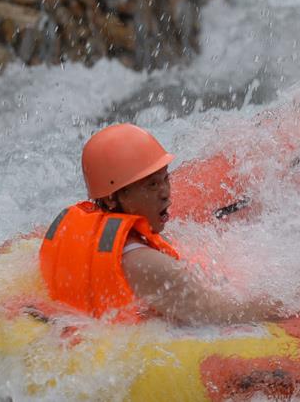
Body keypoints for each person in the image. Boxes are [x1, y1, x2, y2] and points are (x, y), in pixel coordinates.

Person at [39, 123, 281, 326]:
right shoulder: (146, 265)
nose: (165, 193)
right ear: (112, 196)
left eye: (166, 178)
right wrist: (298, 301)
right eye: (152, 185)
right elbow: (223, 315)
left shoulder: (81, 233)